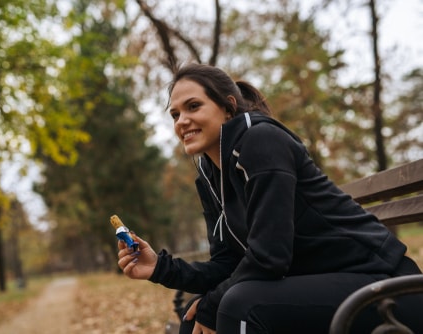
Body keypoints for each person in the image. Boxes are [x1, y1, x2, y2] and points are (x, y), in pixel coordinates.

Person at [116, 63, 423, 334]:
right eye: (175, 114)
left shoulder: (261, 142)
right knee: (193, 318)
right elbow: (228, 264)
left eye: (193, 106)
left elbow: (269, 257)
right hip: (327, 287)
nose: (181, 120)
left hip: (384, 286)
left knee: (239, 306)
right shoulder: (210, 177)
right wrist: (159, 268)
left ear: (228, 107)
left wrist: (212, 302)